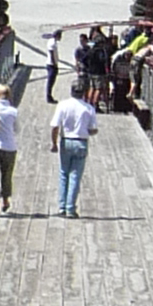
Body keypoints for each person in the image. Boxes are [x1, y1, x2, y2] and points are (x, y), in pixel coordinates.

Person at [51, 80, 98, 216]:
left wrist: (54, 143)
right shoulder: (89, 108)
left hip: (66, 140)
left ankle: (62, 206)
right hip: (81, 142)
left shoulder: (63, 105)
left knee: (63, 173)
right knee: (75, 175)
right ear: (83, 92)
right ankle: (71, 208)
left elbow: (55, 126)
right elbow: (93, 129)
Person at [0, 80, 21, 213]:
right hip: (9, 147)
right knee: (6, 176)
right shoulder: (13, 111)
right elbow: (17, 129)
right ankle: (5, 201)